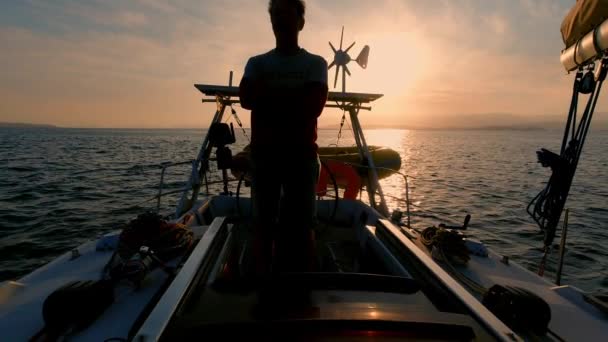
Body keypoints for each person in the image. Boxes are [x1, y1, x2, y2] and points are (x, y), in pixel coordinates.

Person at [239, 0, 328, 275]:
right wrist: (295, 96)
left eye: (287, 14)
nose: (280, 19)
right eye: (276, 14)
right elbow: (246, 98)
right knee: (263, 222)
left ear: (301, 22)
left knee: (302, 225)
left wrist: (267, 94)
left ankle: (302, 281)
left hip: (301, 158)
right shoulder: (256, 62)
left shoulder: (316, 63)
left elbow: (312, 107)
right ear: (271, 22)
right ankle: (263, 280)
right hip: (265, 158)